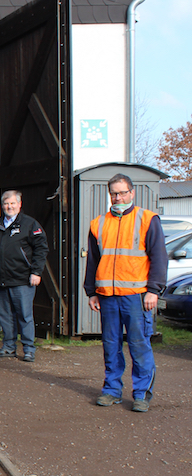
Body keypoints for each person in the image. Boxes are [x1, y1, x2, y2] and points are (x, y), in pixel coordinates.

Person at [84, 174, 167, 413]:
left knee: (139, 345)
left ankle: (141, 394)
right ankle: (111, 390)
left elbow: (159, 258)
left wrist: (154, 290)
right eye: (114, 193)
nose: (118, 197)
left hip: (137, 296)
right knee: (110, 345)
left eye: (122, 193)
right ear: (109, 194)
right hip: (107, 296)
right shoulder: (98, 223)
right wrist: (92, 292)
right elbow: (93, 261)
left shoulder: (147, 219)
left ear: (132, 193)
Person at [0, 190, 49, 362]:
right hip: (2, 280)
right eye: (6, 204)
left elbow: (41, 249)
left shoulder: (30, 224)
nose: (9, 207)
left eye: (12, 203)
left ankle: (28, 349)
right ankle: (9, 347)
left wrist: (36, 272)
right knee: (5, 315)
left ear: (20, 204)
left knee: (24, 315)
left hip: (23, 279)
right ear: (2, 205)